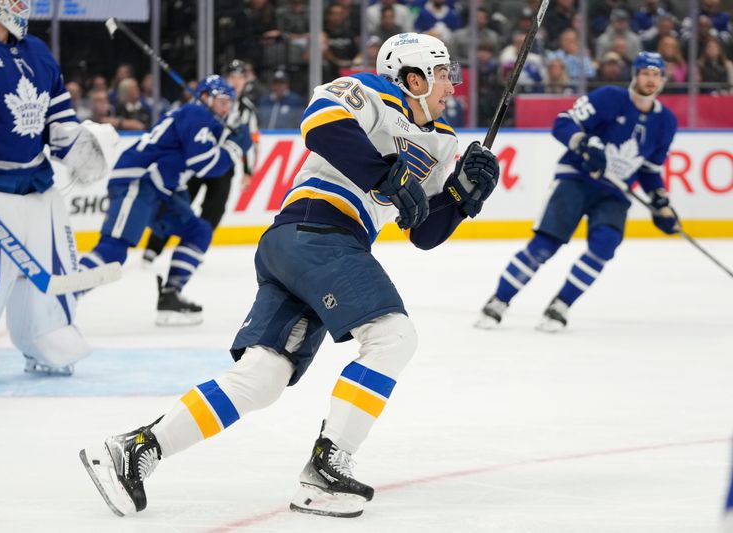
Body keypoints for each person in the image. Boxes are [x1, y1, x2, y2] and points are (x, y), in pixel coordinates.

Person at [80, 33, 500, 518]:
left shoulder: (443, 141)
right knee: (393, 336)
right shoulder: (371, 92)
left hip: (306, 246)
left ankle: (134, 450)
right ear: (413, 78)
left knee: (261, 379)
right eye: (444, 73)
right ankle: (325, 470)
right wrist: (385, 175)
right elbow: (320, 123)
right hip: (317, 231)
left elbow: (422, 231)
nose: (453, 83)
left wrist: (463, 197)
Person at [0, 0, 109, 384]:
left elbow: (58, 121)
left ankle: (47, 335)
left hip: (38, 185)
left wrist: (82, 148)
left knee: (54, 263)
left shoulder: (39, 52)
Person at [475, 52, 679, 332]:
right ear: (635, 74)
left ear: (664, 79)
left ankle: (561, 305)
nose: (650, 79)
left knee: (605, 245)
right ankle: (499, 301)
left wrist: (661, 201)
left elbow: (650, 170)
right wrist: (584, 143)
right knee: (544, 245)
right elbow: (563, 122)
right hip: (576, 179)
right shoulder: (609, 97)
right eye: (645, 72)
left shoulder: (666, 122)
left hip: (613, 193)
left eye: (656, 74)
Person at [78, 75, 252, 326]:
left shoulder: (197, 117)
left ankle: (170, 296)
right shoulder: (196, 114)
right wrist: (234, 149)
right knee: (113, 251)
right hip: (137, 181)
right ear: (205, 97)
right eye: (223, 101)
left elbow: (178, 162)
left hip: (160, 189)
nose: (227, 108)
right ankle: (63, 298)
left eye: (230, 103)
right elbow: (204, 165)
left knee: (198, 231)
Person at [142, 60, 261, 267]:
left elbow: (251, 142)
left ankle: (192, 247)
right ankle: (154, 247)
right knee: (178, 203)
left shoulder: (247, 111)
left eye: (240, 78)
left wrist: (249, 170)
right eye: (232, 77)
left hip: (223, 167)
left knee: (214, 210)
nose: (236, 82)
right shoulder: (204, 104)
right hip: (197, 161)